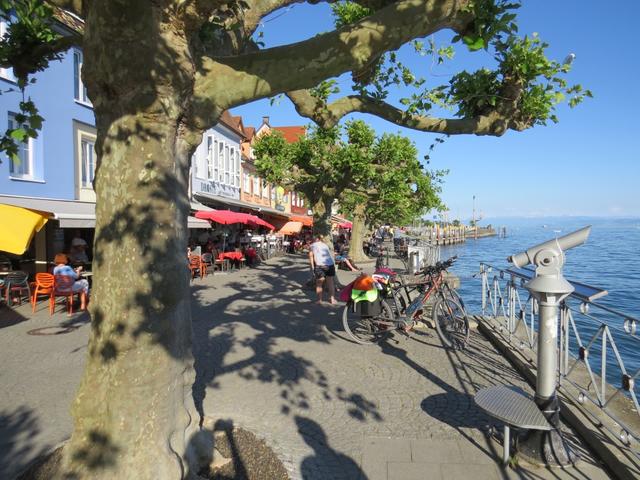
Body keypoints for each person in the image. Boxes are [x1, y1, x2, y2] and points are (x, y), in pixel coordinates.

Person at [308, 234, 337, 304]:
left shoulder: (312, 246)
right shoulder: (325, 245)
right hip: (330, 265)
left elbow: (311, 257)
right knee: (330, 283)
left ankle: (319, 300)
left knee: (319, 283)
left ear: (314, 240)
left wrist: (312, 267)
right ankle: (332, 299)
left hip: (320, 265)